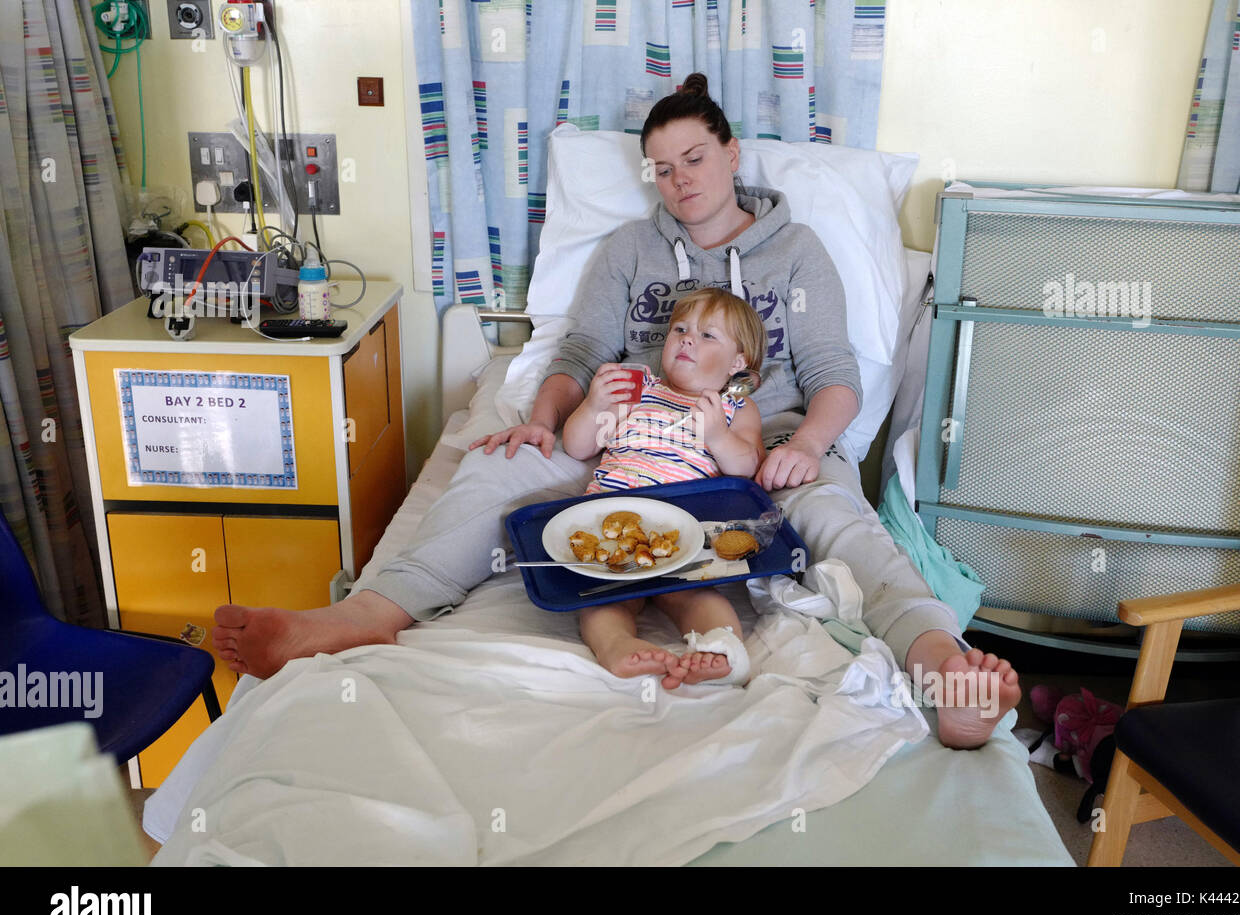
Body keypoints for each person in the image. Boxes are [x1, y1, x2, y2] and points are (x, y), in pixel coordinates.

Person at [214, 72, 1020, 749]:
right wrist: (545, 417)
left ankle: (937, 662)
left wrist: (808, 444)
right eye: (662, 168)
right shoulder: (630, 252)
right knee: (497, 469)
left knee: (841, 518)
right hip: (625, 426)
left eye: (695, 158)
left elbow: (835, 374)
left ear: (731, 153)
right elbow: (576, 352)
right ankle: (367, 614)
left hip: (758, 433)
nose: (681, 180)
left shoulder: (797, 252)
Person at [568, 287, 765, 688]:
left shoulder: (733, 408)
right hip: (613, 522)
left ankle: (721, 648)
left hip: (687, 530)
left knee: (699, 597)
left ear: (738, 362)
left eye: (708, 335)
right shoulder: (638, 389)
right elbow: (578, 445)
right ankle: (618, 645)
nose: (688, 338)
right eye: (680, 329)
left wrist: (717, 436)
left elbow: (747, 466)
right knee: (602, 596)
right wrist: (592, 406)